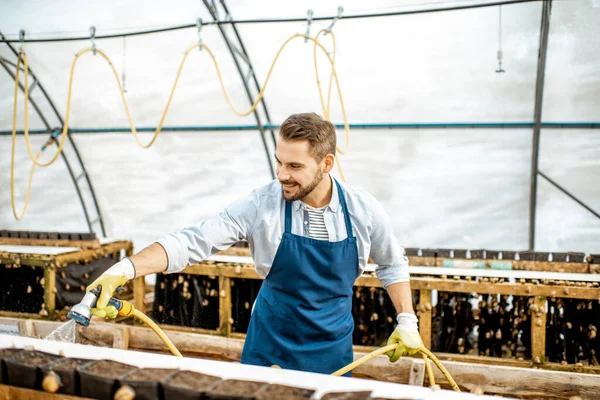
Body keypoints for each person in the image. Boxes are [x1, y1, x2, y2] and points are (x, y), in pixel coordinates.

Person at [88, 112, 424, 375]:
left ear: (326, 164)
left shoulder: (363, 210)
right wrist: (126, 268)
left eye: (294, 166)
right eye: (279, 162)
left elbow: (392, 263)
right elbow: (194, 241)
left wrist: (407, 321)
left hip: (332, 353)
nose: (282, 175)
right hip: (270, 347)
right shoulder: (262, 204)